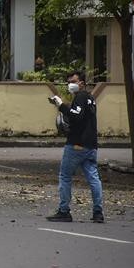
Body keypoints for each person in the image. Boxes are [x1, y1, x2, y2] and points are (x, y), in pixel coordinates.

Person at [47, 71, 104, 223]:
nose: (70, 84)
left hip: (77, 144)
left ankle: (64, 211)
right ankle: (98, 212)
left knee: (65, 177)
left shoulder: (80, 97)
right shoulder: (91, 98)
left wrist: (61, 105)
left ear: (82, 83)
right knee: (93, 178)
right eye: (68, 82)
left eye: (73, 81)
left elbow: (75, 117)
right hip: (91, 145)